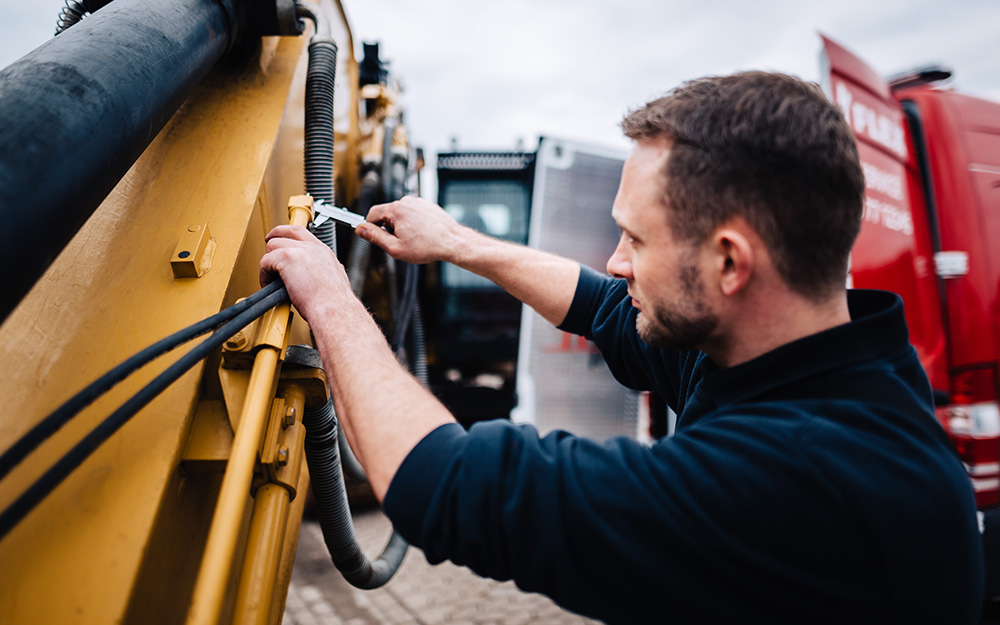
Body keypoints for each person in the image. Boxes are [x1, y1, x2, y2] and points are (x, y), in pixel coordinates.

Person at [260, 71, 983, 623]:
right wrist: (455, 243)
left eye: (635, 238)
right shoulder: (798, 360)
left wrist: (328, 296)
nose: (616, 261)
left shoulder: (805, 481)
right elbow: (602, 305)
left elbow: (443, 483)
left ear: (731, 263)